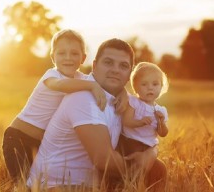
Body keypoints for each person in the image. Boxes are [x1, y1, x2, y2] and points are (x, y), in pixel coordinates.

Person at [27, 38, 135, 191]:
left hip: (86, 186)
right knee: (153, 170)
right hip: (54, 187)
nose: (116, 70)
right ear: (95, 65)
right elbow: (104, 160)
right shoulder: (83, 97)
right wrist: (143, 164)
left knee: (157, 170)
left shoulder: (120, 101)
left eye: (123, 66)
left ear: (130, 73)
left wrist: (152, 152)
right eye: (108, 62)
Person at [2, 29, 108, 183]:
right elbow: (61, 85)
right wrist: (91, 86)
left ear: (83, 58)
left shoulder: (80, 78)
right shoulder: (52, 75)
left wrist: (123, 97)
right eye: (61, 53)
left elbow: (103, 86)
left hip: (41, 145)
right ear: (53, 57)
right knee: (21, 184)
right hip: (18, 138)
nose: (68, 58)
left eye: (74, 53)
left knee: (37, 183)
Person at [118, 61, 169, 191]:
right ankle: (128, 187)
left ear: (161, 86)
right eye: (144, 84)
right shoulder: (134, 102)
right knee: (134, 171)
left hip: (148, 147)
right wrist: (140, 122)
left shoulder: (161, 110)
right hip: (130, 143)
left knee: (160, 169)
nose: (150, 88)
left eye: (155, 84)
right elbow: (126, 121)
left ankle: (153, 188)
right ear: (136, 87)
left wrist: (161, 123)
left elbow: (163, 133)